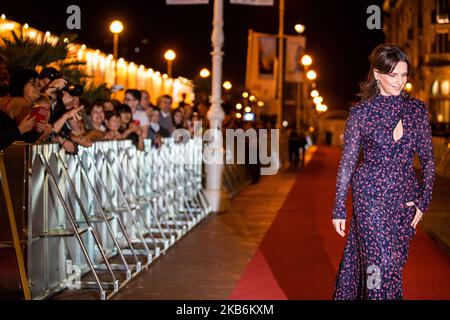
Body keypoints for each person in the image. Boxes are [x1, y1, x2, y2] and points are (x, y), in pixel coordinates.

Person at [331, 44, 435, 300]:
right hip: (371, 197)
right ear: (377, 74)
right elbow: (348, 162)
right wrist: (339, 207)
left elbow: (429, 159)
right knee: (382, 264)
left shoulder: (417, 110)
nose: (400, 81)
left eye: (404, 75)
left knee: (392, 268)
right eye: (393, 75)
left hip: (405, 200)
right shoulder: (361, 113)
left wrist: (424, 200)